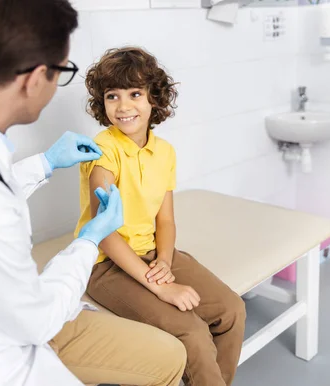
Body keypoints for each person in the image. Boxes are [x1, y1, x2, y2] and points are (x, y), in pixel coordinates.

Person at [0, 1, 186, 385]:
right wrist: (88, 240)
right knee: (170, 358)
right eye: (62, 72)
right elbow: (35, 320)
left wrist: (44, 163)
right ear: (35, 77)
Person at [75, 46, 247, 386]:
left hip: (154, 255)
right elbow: (104, 232)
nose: (123, 106)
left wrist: (165, 261)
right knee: (193, 332)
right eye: (113, 96)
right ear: (102, 102)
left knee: (232, 311)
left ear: (154, 98)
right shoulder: (103, 150)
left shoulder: (164, 151)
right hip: (106, 264)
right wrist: (160, 287)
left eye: (135, 93)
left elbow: (165, 221)